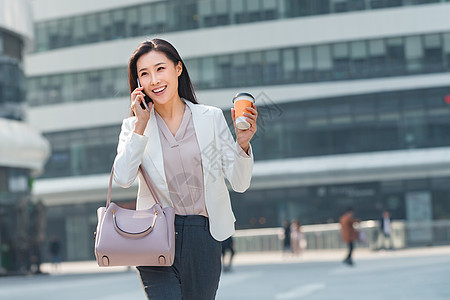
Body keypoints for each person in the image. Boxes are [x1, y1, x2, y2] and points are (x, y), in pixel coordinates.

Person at [113, 39, 257, 300]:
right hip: (154, 236)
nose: (154, 80)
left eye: (160, 69)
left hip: (203, 236)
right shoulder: (134, 126)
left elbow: (239, 183)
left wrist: (243, 145)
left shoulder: (210, 118)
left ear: (178, 69)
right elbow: (122, 178)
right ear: (138, 84)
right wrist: (140, 126)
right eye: (144, 74)